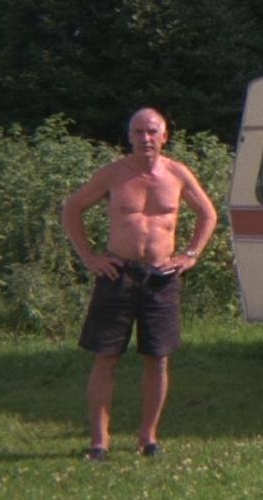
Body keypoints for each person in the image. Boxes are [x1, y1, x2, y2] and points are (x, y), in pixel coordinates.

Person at [62, 107, 218, 461]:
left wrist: (190, 255)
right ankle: (99, 442)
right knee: (106, 358)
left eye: (152, 131)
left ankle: (148, 438)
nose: (145, 138)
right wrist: (89, 257)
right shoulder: (113, 174)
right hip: (117, 275)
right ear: (129, 136)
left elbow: (208, 214)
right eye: (138, 132)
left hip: (161, 277)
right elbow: (72, 209)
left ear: (164, 136)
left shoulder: (177, 174)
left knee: (158, 359)